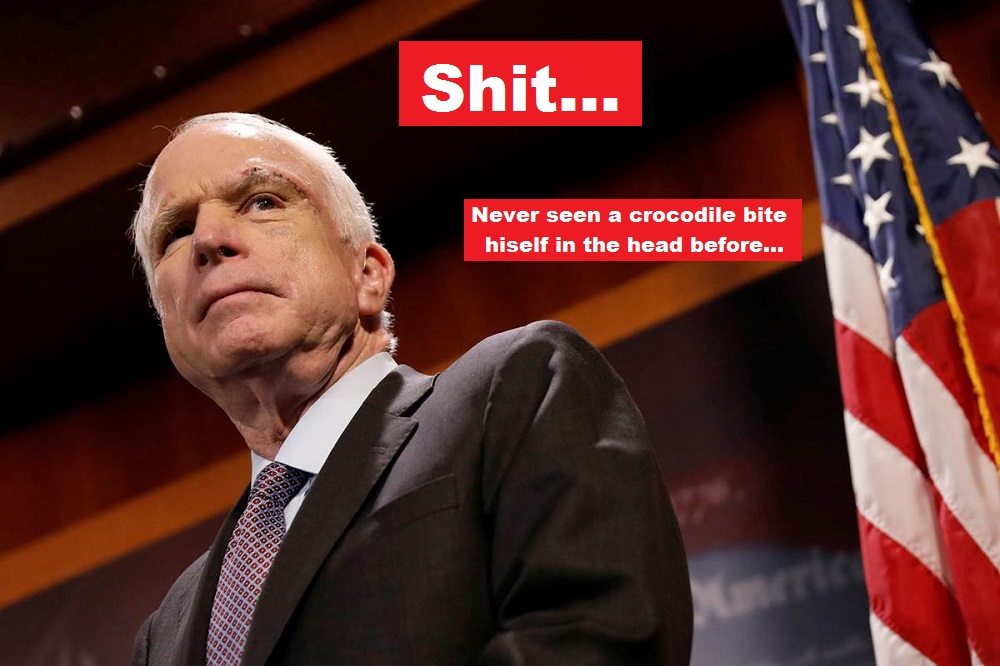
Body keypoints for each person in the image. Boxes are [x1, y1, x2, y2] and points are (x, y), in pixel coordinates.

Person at [129, 112, 693, 665]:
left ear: (367, 274)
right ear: (167, 321)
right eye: (176, 232)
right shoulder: (164, 637)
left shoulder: (514, 390)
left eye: (262, 202)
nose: (208, 240)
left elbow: (597, 638)